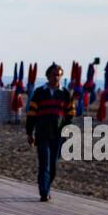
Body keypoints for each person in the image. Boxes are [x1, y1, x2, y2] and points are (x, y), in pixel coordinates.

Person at [25, 62, 74, 201]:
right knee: (44, 163)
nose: (56, 78)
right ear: (48, 76)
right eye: (54, 75)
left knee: (53, 165)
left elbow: (71, 113)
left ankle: (46, 186)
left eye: (59, 75)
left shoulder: (65, 94)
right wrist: (29, 132)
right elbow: (31, 114)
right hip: (42, 133)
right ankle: (44, 192)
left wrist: (66, 127)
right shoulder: (39, 93)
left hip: (58, 134)